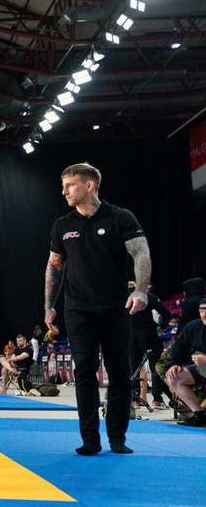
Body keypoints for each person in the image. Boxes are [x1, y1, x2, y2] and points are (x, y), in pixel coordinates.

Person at [45, 162, 151, 455]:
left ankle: (118, 437)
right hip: (77, 309)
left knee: (119, 373)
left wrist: (141, 289)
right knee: (85, 373)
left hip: (117, 309)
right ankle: (90, 439)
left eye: (70, 185)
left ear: (89, 186)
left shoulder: (120, 217)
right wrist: (48, 307)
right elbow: (54, 267)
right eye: (63, 185)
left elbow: (141, 252)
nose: (64, 190)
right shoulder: (62, 225)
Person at [163, 298, 206, 427]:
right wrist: (175, 364)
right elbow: (178, 345)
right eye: (202, 311)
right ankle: (199, 414)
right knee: (174, 378)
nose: (204, 314)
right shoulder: (193, 326)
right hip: (201, 369)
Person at [129, 282, 172, 409]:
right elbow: (166, 313)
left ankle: (134, 400)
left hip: (130, 335)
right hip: (148, 334)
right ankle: (157, 399)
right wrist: (162, 327)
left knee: (134, 366)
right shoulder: (148, 296)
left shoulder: (123, 297)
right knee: (155, 365)